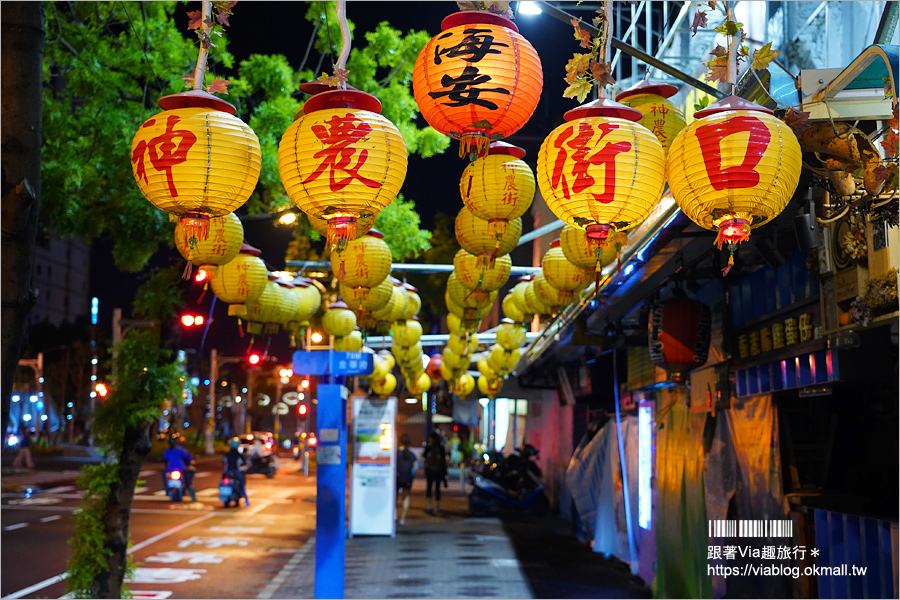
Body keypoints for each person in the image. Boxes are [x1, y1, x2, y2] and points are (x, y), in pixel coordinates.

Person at [162, 437, 196, 502]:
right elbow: (188, 458)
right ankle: (192, 496)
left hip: (177, 469)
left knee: (188, 481)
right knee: (189, 482)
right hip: (177, 469)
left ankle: (192, 496)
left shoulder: (178, 450)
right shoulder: (178, 450)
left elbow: (165, 460)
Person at [423, 432, 447, 515]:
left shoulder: (429, 447)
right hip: (438, 471)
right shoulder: (441, 448)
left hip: (430, 470)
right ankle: (437, 507)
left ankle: (429, 506)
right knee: (437, 488)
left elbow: (424, 457)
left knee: (429, 487)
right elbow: (444, 461)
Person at [395, 434, 416, 526]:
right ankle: (402, 519)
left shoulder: (396, 453)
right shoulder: (411, 455)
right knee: (406, 497)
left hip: (397, 478)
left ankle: (394, 515)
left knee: (394, 497)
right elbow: (415, 467)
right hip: (407, 478)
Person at [224, 437, 250, 507]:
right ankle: (246, 501)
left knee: (221, 481)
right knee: (242, 485)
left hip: (227, 472)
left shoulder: (227, 454)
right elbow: (244, 464)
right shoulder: (239, 455)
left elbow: (225, 463)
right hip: (236, 472)